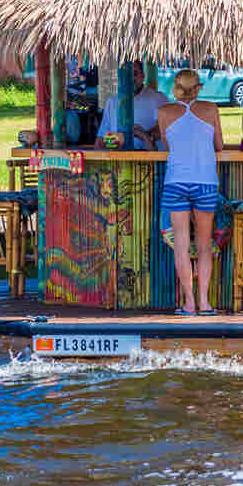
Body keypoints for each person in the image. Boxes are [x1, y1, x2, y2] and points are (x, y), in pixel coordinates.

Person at [158, 69, 225, 315]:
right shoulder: (210, 109)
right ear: (198, 87)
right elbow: (218, 144)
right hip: (206, 181)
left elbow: (168, 144)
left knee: (181, 245)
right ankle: (205, 303)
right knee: (205, 245)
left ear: (176, 86)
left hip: (175, 182)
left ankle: (188, 303)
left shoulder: (164, 112)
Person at [94, 61, 169, 149]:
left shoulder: (158, 98)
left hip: (149, 157)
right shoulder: (112, 101)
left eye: (134, 73)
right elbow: (101, 138)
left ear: (143, 76)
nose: (129, 78)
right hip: (119, 157)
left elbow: (164, 129)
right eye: (125, 74)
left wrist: (143, 135)